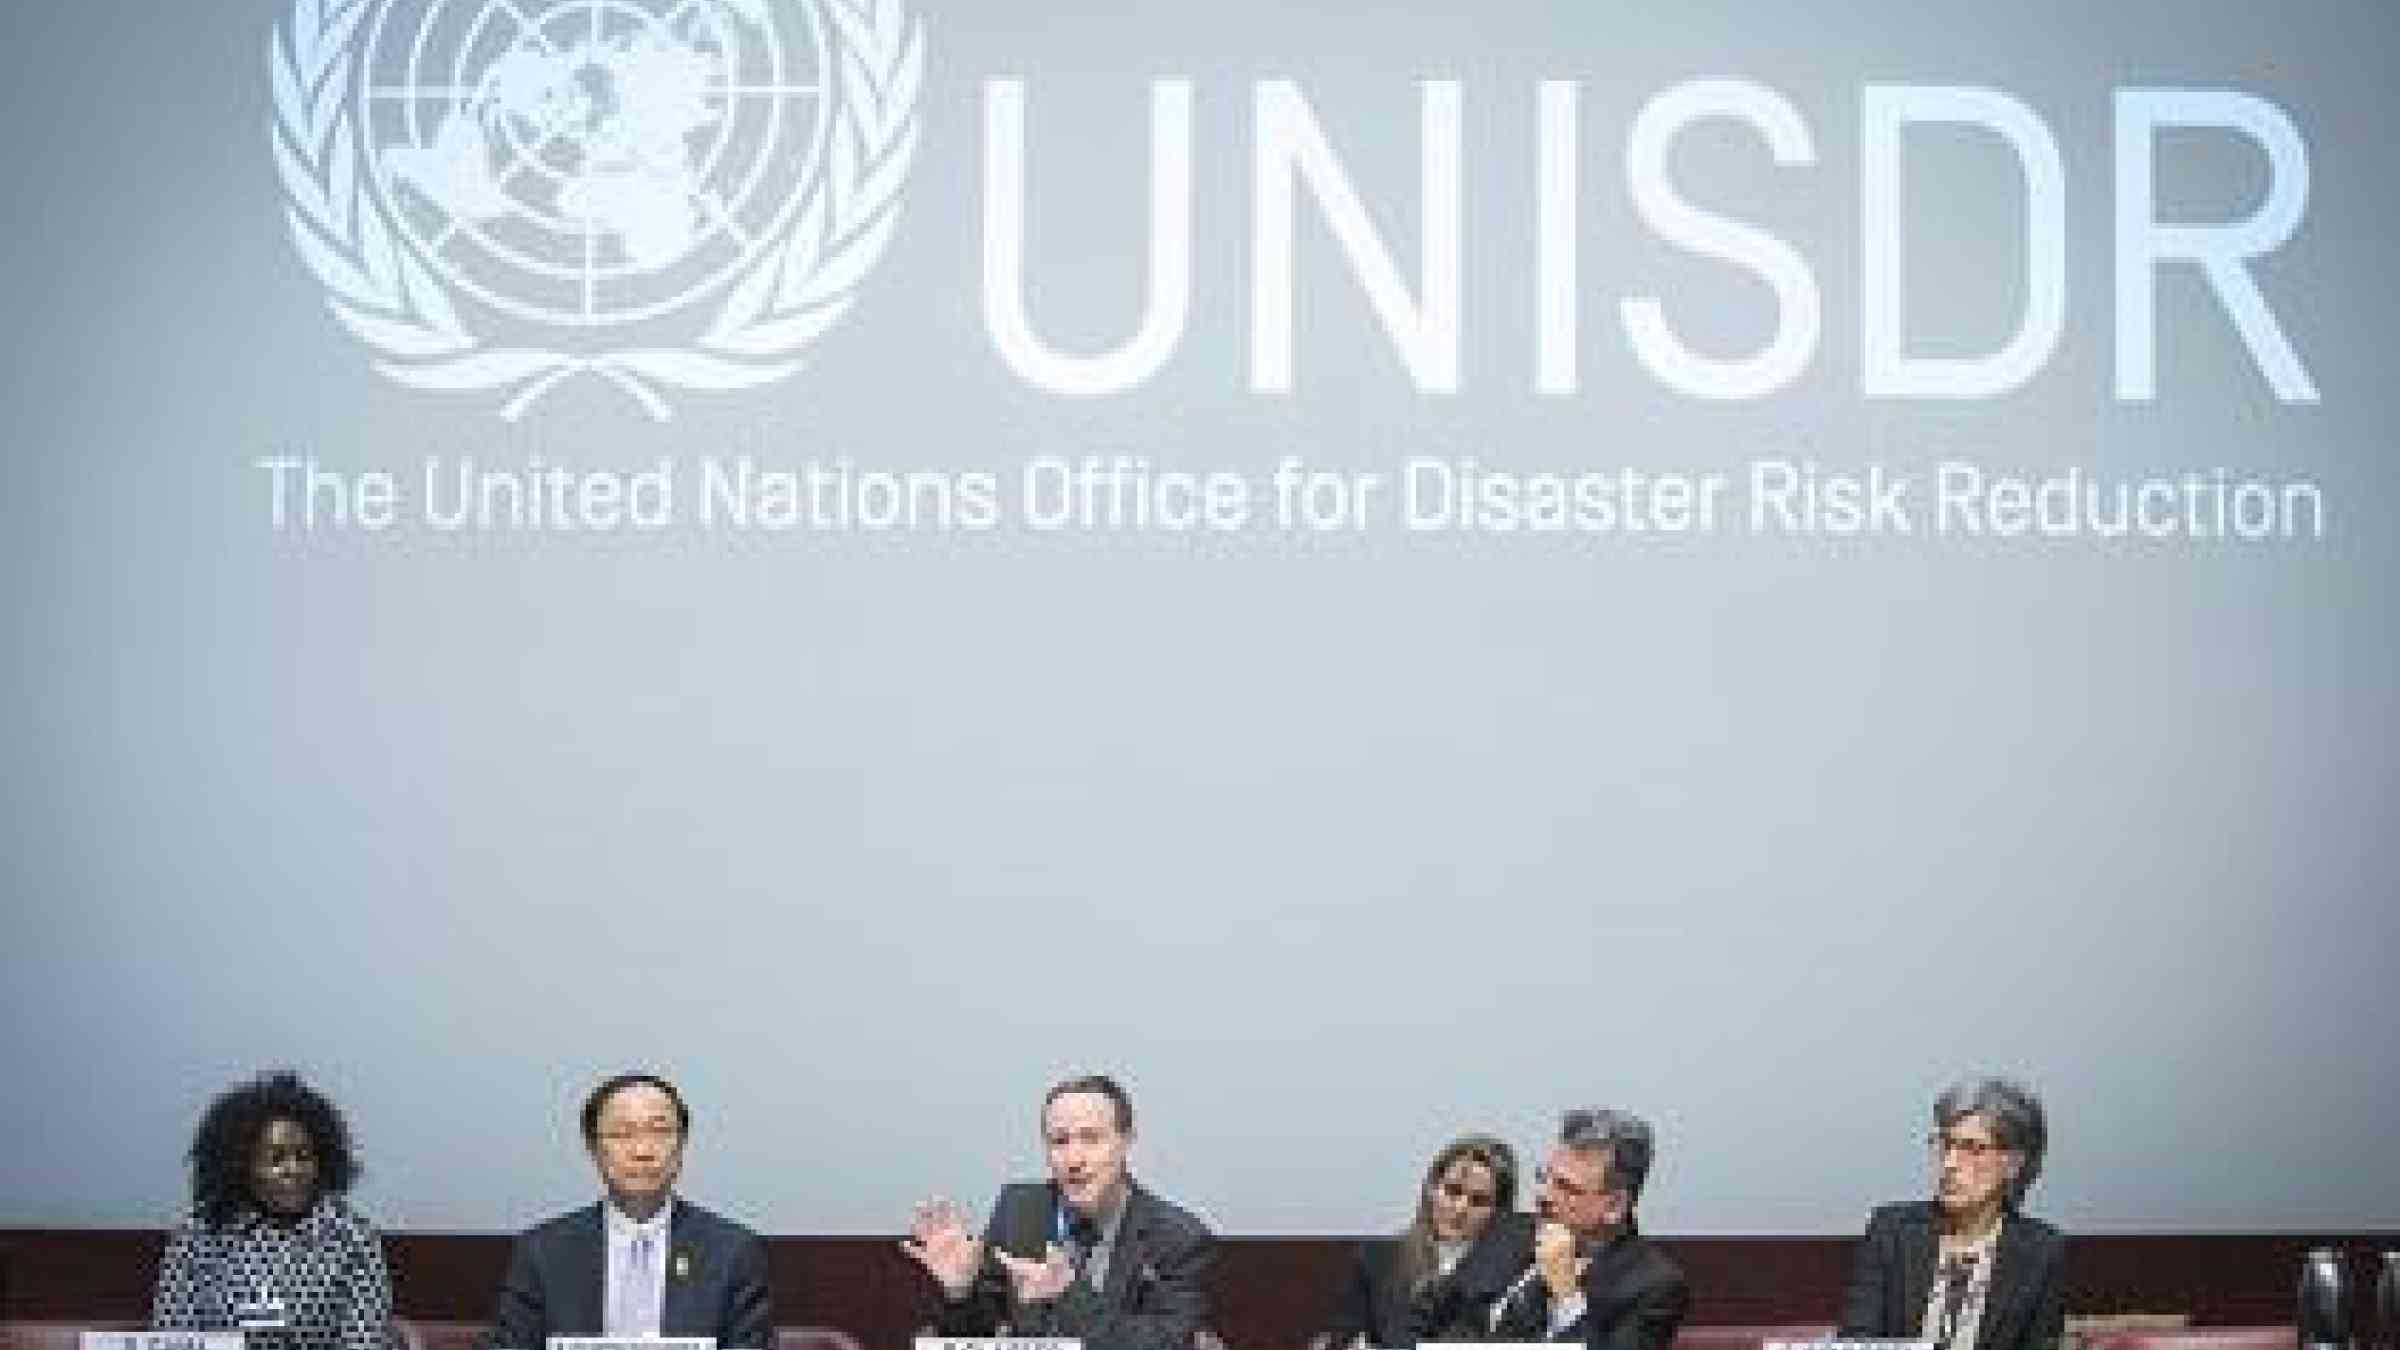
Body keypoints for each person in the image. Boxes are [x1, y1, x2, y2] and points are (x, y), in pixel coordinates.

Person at [903, 1073, 1214, 1350]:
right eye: (1059, 1141)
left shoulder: (1177, 1237)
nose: (1074, 1159)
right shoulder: (1021, 1209)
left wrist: (1070, 1295)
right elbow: (978, 1334)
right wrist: (961, 1292)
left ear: (1126, 1142)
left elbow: (1166, 1342)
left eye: (1091, 1139)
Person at [487, 1073, 772, 1350]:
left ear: (682, 1144)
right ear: (594, 1149)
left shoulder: (733, 1250)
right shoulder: (543, 1251)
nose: (642, 1150)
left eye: (660, 1132)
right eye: (622, 1134)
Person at [151, 1070, 394, 1350]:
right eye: (275, 1159)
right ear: (240, 1165)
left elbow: (364, 1341)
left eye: (303, 1156)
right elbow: (173, 1337)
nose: (293, 1170)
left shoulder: (352, 1237)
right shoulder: (198, 1235)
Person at [1839, 1077, 2066, 1350]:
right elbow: (1857, 1340)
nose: (1949, 1164)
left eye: (1973, 1149)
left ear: (2013, 1164)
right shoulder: (1892, 1231)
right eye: (1945, 1145)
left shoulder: (2041, 1250)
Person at [1479, 1109, 1688, 1350]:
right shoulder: (1509, 1231)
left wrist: (1566, 1295)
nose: (1543, 1195)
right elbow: (1443, 1312)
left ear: (1614, 1207)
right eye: (1544, 1178)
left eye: (1566, 1187)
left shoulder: (1654, 1287)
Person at [1317, 1132, 1527, 1350]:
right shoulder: (1378, 1259)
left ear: (1500, 1212)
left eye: (1478, 1201)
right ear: (1431, 1189)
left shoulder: (1514, 1274)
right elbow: (1340, 1339)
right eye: (1452, 1191)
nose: (1460, 1208)